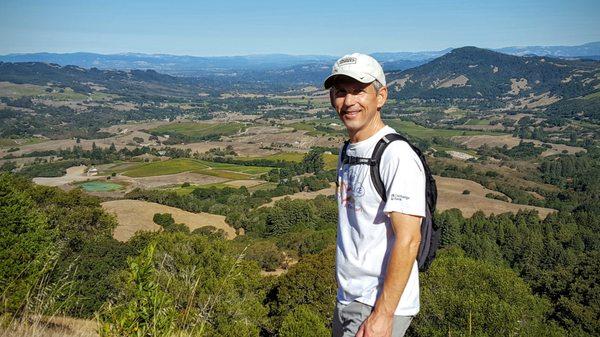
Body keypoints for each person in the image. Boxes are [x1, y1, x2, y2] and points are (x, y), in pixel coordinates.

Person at [325, 53, 426, 337]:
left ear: (381, 96)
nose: (349, 101)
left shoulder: (395, 155)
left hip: (376, 304)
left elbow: (408, 239)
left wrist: (382, 315)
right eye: (341, 92)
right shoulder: (349, 150)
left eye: (359, 91)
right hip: (349, 298)